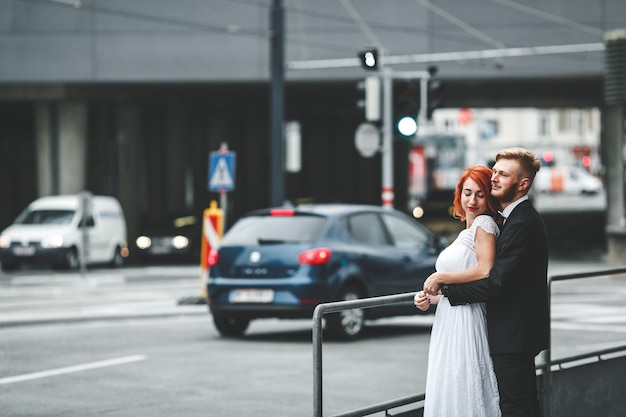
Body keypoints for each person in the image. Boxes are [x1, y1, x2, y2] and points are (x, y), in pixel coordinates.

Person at [424, 147, 549, 417]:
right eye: (495, 171)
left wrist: (446, 287)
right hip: (508, 333)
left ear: (522, 184)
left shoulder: (522, 222)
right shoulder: (511, 219)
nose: (494, 178)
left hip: (514, 336)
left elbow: (496, 283)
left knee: (518, 408)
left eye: (503, 174)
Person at [415, 165, 503, 417]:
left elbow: (485, 270)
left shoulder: (485, 224)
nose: (472, 200)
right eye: (467, 192)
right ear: (459, 194)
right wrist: (429, 298)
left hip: (466, 318)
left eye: (480, 193)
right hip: (450, 316)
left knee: (463, 381)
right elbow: (464, 282)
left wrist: (442, 276)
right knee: (450, 381)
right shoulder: (469, 228)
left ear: (489, 197)